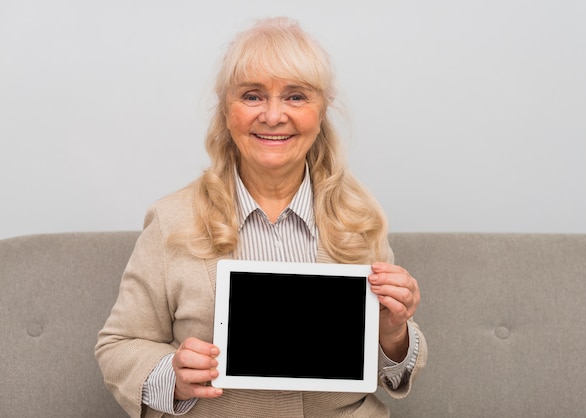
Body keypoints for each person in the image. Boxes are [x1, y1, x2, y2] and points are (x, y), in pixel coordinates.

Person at [96, 16, 427, 418]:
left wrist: (393, 334)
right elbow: (118, 345)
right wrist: (175, 375)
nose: (273, 115)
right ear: (226, 110)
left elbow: (385, 369)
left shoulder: (360, 219)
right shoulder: (172, 221)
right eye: (252, 96)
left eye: (296, 96)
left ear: (322, 111)